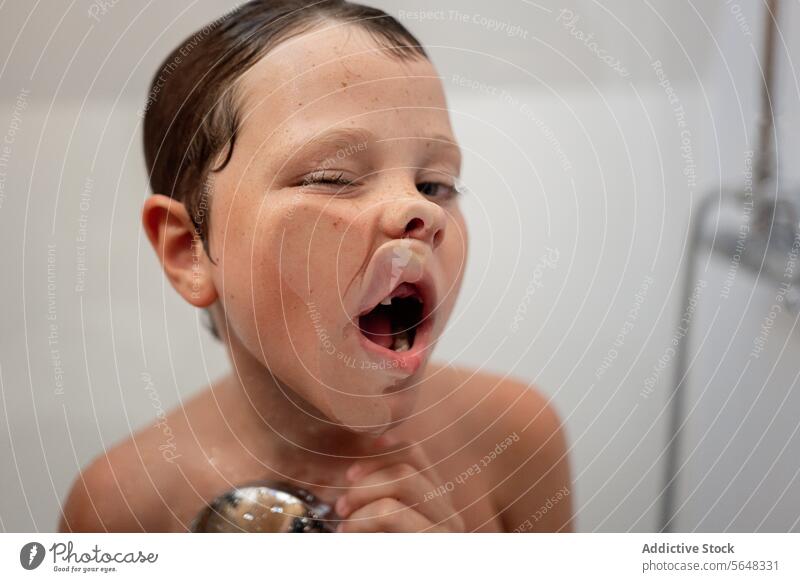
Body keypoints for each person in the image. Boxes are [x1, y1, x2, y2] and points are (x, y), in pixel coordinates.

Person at [60, 0, 573, 533]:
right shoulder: (122, 505)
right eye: (332, 177)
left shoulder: (514, 439)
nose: (420, 210)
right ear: (189, 248)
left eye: (435, 184)